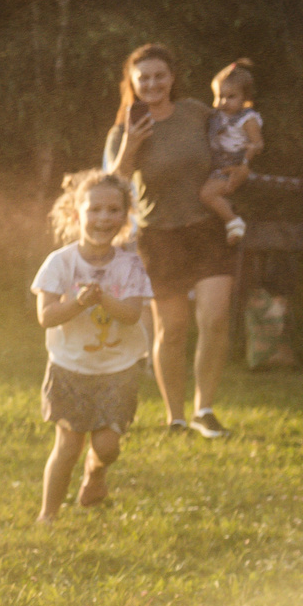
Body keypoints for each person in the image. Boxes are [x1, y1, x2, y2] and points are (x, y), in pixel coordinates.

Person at [103, 44, 236, 438]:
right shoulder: (123, 129)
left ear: (172, 78)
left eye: (159, 75)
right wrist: (131, 144)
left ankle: (204, 410)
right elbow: (113, 184)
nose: (153, 84)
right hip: (160, 235)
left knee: (214, 319)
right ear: (132, 83)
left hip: (207, 228)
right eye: (144, 78)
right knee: (172, 329)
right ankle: (175, 417)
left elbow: (232, 137)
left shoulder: (196, 113)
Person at [32, 174, 152, 523]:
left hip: (118, 369)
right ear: (75, 214)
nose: (103, 218)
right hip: (71, 366)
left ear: (126, 217)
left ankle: (96, 473)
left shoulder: (130, 265)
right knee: (68, 446)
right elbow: (46, 317)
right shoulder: (60, 262)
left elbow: (131, 314)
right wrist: (79, 303)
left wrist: (103, 300)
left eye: (113, 210)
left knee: (107, 447)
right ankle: (47, 515)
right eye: (94, 209)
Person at [197, 60, 266, 244]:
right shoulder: (216, 116)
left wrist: (252, 151)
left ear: (245, 97)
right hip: (215, 163)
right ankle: (229, 213)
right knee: (201, 192)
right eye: (219, 96)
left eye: (231, 97)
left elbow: (259, 143)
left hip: (233, 165)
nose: (223, 102)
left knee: (207, 195)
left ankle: (233, 222)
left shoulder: (247, 119)